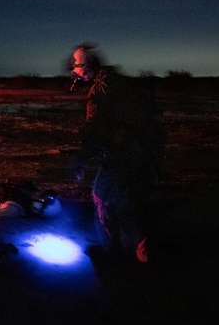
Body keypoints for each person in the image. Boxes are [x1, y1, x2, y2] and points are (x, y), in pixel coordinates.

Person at [68, 44, 164, 263]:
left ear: (86, 67)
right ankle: (139, 250)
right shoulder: (118, 82)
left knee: (101, 196)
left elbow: (95, 130)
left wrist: (80, 159)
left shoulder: (100, 90)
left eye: (79, 68)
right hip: (143, 150)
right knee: (124, 198)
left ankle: (115, 250)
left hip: (123, 152)